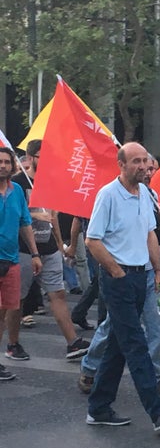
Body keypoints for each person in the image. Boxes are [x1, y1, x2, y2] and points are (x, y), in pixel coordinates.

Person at [85, 142, 160, 432]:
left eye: (145, 161)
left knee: (117, 345)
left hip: (142, 276)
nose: (143, 167)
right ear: (122, 165)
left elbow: (150, 233)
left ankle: (99, 407)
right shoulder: (108, 195)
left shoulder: (146, 194)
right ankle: (157, 411)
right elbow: (92, 240)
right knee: (136, 344)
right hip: (119, 279)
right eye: (136, 161)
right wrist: (115, 271)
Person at [7, 139, 90, 361]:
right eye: (42, 156)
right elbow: (12, 214)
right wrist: (34, 215)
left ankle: (73, 343)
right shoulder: (17, 184)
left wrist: (61, 244)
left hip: (49, 248)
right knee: (17, 300)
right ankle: (13, 344)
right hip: (23, 249)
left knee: (58, 294)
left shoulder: (50, 182)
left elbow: (53, 217)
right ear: (31, 157)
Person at [0, 147, 42, 381]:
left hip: (12, 261)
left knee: (6, 311)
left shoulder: (16, 191)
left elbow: (25, 223)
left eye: (7, 162)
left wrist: (35, 254)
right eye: (0, 162)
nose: (3, 166)